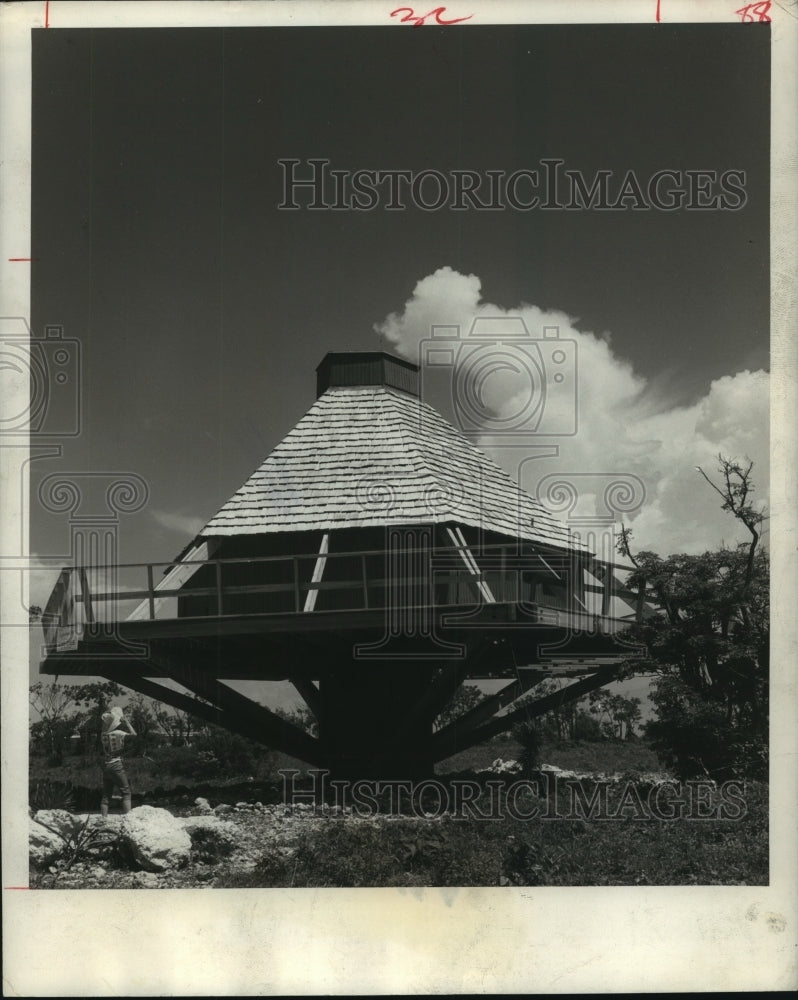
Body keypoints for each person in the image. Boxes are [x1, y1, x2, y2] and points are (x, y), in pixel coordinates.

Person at [99, 705, 136, 817]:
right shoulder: (119, 733)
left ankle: (104, 818)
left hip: (106, 766)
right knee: (126, 792)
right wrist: (127, 723)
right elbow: (134, 735)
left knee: (106, 795)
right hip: (116, 764)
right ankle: (129, 818)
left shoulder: (103, 735)